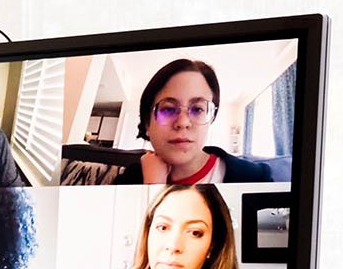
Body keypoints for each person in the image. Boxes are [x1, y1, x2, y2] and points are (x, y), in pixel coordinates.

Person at [84, 185, 266, 269]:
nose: (173, 246)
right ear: (148, 234)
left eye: (195, 232)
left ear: (212, 246)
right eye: (163, 227)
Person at [115, 59, 275, 185]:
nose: (183, 122)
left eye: (197, 109)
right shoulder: (129, 180)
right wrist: (151, 188)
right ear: (147, 124)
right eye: (168, 109)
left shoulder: (254, 178)